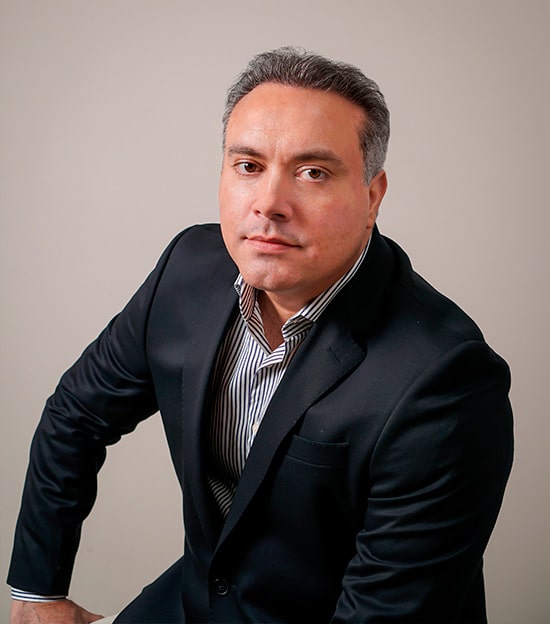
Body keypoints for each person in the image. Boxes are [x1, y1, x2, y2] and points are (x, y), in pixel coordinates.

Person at [8, 46, 513, 624]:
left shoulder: (444, 377)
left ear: (372, 196)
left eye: (313, 173)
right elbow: (76, 414)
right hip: (199, 598)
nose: (269, 205)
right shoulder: (188, 269)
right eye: (248, 166)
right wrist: (37, 592)